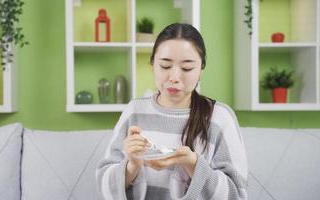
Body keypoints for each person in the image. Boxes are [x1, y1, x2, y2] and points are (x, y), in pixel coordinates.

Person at [96, 23, 248, 200]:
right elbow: (103, 181)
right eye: (165, 66)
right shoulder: (134, 111)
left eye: (187, 68)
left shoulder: (219, 118)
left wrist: (193, 164)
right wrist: (131, 166)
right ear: (153, 64)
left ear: (201, 69)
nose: (174, 77)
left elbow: (237, 195)